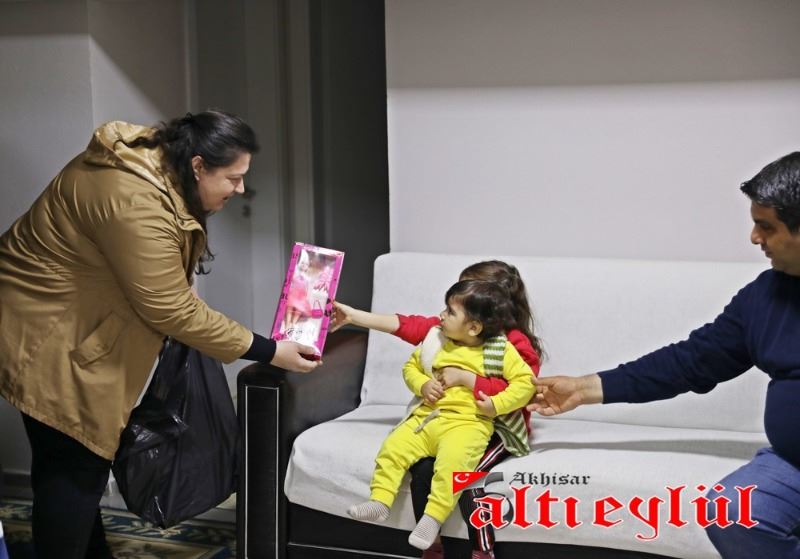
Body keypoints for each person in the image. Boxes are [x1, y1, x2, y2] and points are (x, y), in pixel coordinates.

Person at [0, 111, 320, 559]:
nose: (240, 189)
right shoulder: (134, 201)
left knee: (73, 465)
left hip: (66, 322)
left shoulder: (161, 168)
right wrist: (269, 351)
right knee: (73, 470)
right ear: (198, 166)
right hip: (46, 334)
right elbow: (171, 308)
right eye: (233, 177)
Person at [528, 151, 800, 559]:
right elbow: (690, 361)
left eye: (766, 226)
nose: (754, 238)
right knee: (732, 513)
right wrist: (583, 389)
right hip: (792, 462)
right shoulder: (766, 295)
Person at [332, 259, 544, 559]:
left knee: (465, 476)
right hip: (446, 420)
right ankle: (430, 545)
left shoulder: (510, 344)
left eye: (467, 289)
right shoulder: (449, 332)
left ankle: (482, 551)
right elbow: (409, 326)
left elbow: (525, 387)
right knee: (422, 470)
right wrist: (355, 316)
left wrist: (468, 379)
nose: (447, 309)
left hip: (498, 425)